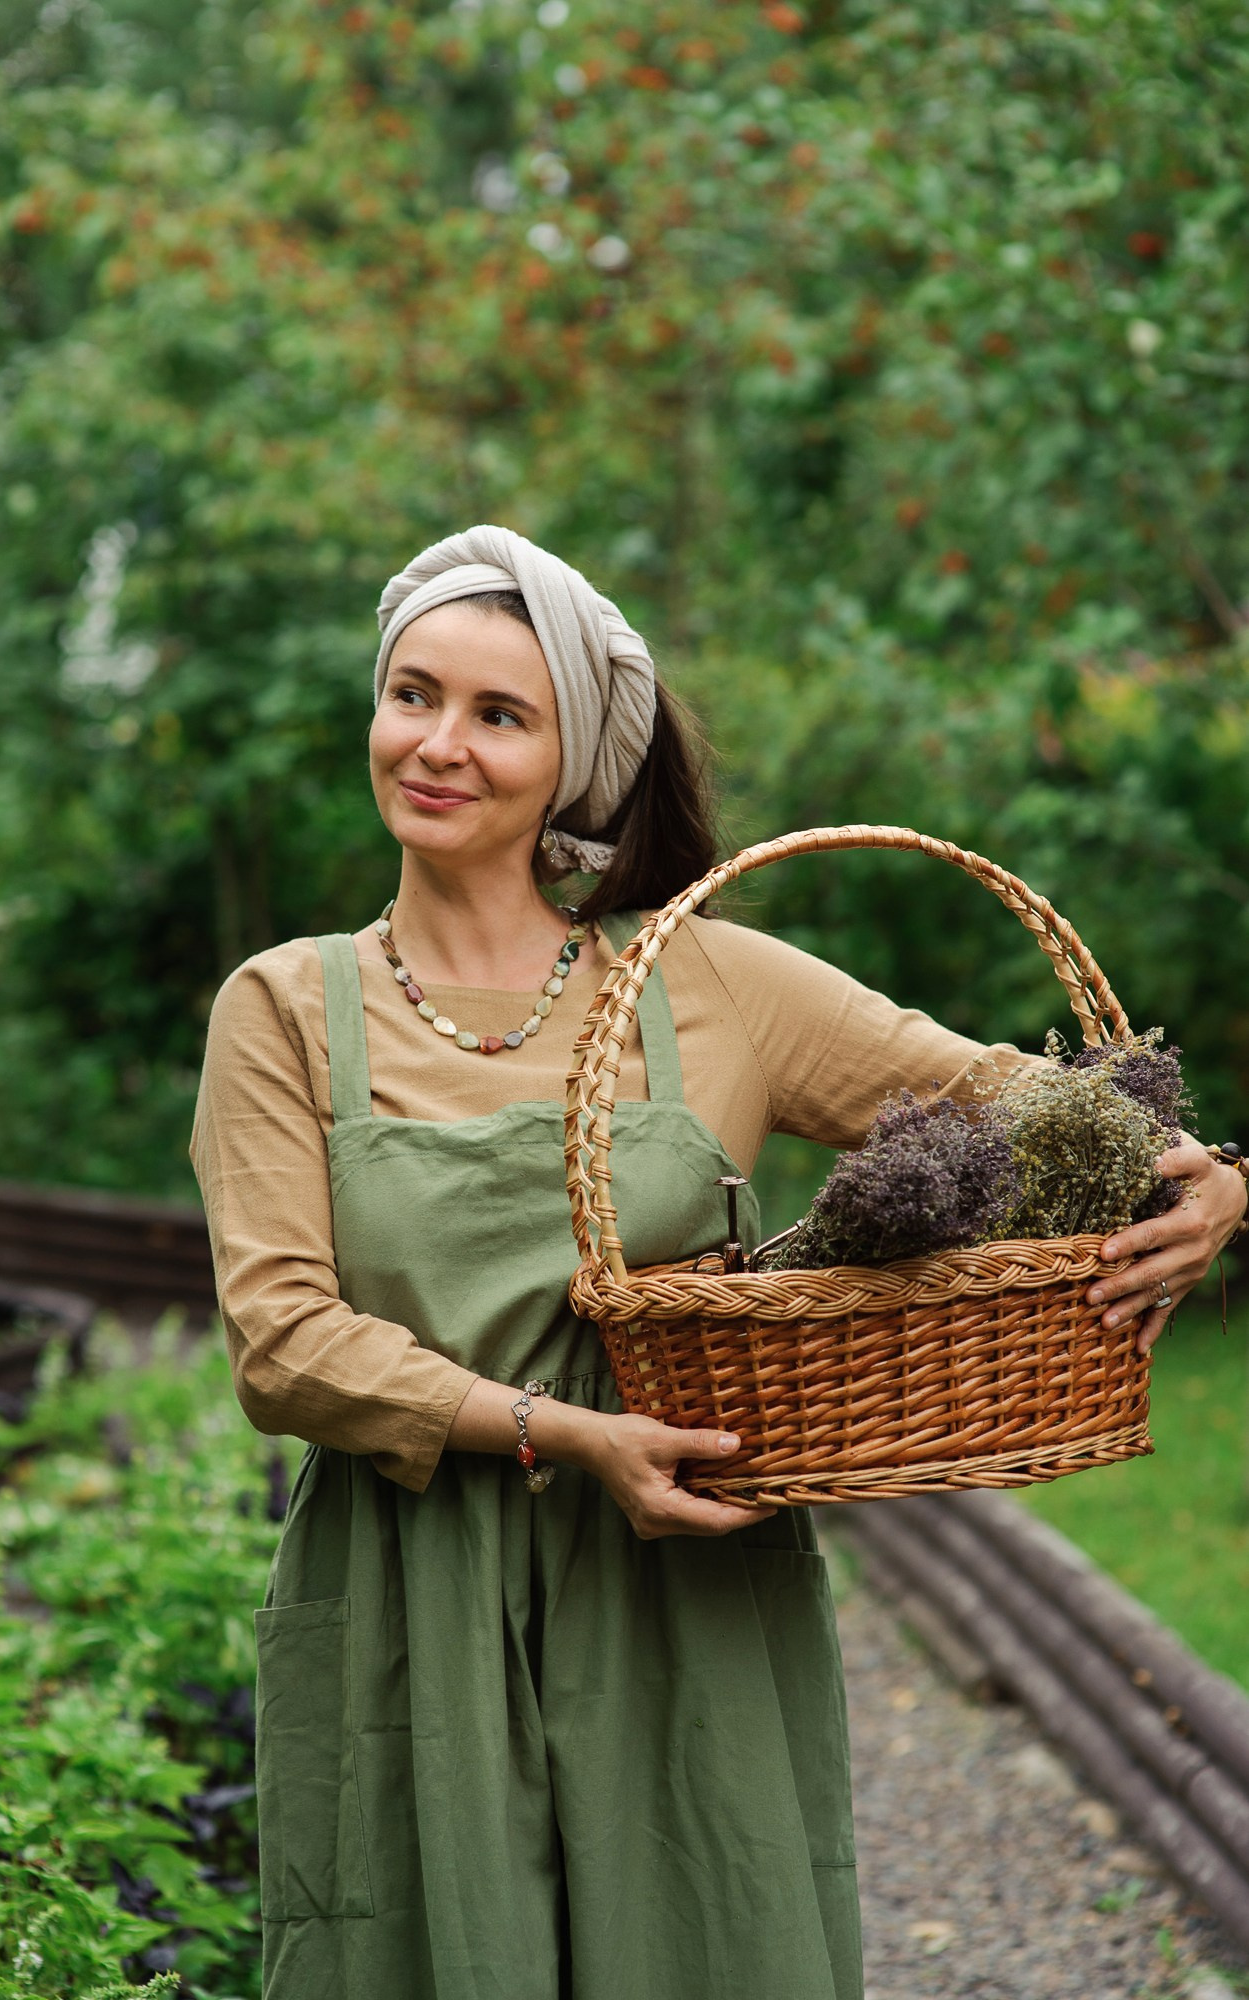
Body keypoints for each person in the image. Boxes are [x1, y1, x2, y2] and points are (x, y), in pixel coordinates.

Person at [190, 524, 1246, 2000]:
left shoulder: (709, 983)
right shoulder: (290, 1008)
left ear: (577, 762)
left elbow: (1031, 1106)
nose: (438, 744)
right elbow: (283, 1343)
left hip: (684, 1582)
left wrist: (1208, 1186)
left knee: (707, 1947)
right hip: (414, 1595)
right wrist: (560, 1432)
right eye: (412, 695)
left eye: (501, 715)